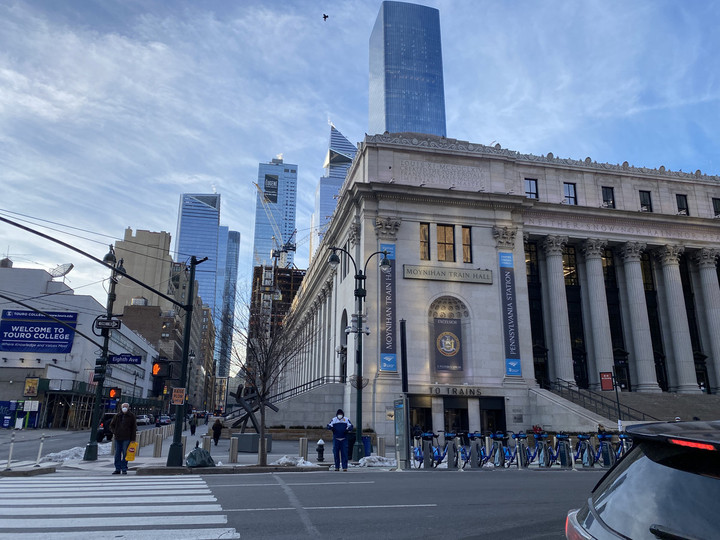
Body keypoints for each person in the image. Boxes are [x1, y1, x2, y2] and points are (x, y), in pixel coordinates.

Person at [110, 402, 137, 475]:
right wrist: (115, 432)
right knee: (117, 454)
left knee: (125, 454)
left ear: (128, 408)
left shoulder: (131, 416)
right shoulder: (117, 416)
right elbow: (112, 425)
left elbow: (134, 428)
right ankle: (117, 468)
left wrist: (133, 439)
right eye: (123, 407)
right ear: (121, 408)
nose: (124, 408)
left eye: (126, 407)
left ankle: (124, 468)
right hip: (118, 437)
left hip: (127, 437)